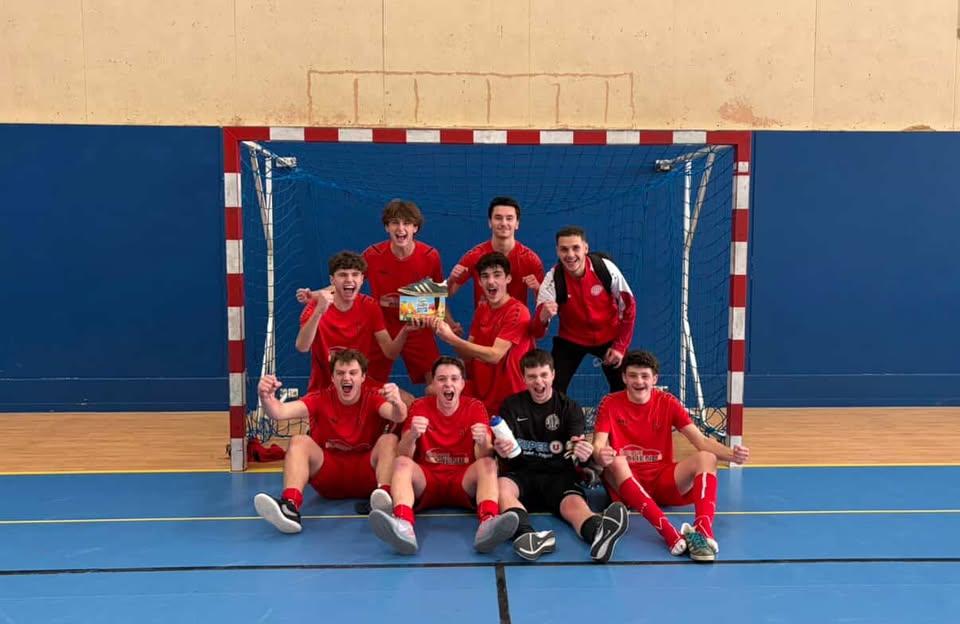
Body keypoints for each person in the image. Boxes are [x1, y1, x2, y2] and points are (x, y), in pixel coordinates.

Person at [592, 350, 750, 562]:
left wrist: (732, 455)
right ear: (623, 378)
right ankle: (669, 533)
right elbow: (598, 445)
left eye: (645, 376)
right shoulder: (610, 403)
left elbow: (701, 441)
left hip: (662, 482)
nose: (639, 381)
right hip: (627, 484)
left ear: (654, 379)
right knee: (617, 461)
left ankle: (703, 528)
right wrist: (602, 455)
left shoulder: (667, 402)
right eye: (632, 375)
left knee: (707, 457)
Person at [368, 356, 519, 554]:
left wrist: (483, 441)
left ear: (462, 384)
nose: (448, 384)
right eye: (442, 379)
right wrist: (412, 434)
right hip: (427, 479)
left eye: (454, 379)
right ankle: (403, 525)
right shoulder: (420, 406)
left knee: (489, 464)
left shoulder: (475, 407)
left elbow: (483, 456)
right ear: (434, 384)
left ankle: (488, 523)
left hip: (462, 480)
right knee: (402, 463)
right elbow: (403, 453)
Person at [494, 348, 630, 563]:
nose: (538, 382)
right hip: (522, 475)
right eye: (532, 376)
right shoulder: (511, 406)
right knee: (500, 486)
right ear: (524, 378)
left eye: (543, 375)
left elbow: (576, 447)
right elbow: (503, 448)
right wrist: (499, 450)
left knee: (574, 506)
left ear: (553, 375)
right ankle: (527, 536)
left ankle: (599, 533)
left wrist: (583, 451)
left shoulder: (570, 408)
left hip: (559, 475)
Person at [253, 349, 408, 534]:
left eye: (353, 373)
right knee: (299, 441)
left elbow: (398, 416)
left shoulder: (373, 397)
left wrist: (398, 402)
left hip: (368, 477)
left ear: (363, 377)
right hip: (329, 475)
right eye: (340, 373)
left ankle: (385, 502)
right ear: (333, 378)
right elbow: (279, 412)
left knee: (389, 440)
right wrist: (266, 397)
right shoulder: (320, 398)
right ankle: (289, 507)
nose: (346, 378)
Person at [532, 225, 637, 395]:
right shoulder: (552, 280)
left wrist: (620, 346)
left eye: (576, 248)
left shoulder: (605, 268)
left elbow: (629, 306)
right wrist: (543, 318)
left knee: (625, 389)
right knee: (551, 389)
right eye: (564, 249)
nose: (570, 255)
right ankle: (558, 421)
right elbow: (536, 331)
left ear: (585, 248)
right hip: (571, 339)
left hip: (609, 336)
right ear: (557, 251)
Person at [360, 199, 451, 389]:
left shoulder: (430, 256)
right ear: (387, 227)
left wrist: (449, 322)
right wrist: (318, 295)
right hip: (382, 328)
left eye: (407, 223)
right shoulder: (372, 254)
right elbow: (348, 279)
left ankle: (432, 417)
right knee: (367, 383)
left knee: (437, 383)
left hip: (417, 325)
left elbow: (438, 297)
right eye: (395, 222)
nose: (400, 228)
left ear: (415, 228)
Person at [433, 252, 535, 417]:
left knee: (497, 443)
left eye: (497, 275)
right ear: (479, 282)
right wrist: (448, 335)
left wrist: (452, 339)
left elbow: (495, 355)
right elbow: (467, 355)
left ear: (508, 279)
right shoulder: (482, 309)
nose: (491, 281)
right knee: (431, 390)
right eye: (485, 276)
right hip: (480, 396)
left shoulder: (518, 311)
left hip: (511, 402)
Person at [296, 251, 411, 394]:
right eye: (343, 275)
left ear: (362, 279)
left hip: (361, 388)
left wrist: (406, 329)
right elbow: (302, 347)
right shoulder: (317, 306)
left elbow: (390, 352)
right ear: (332, 280)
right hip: (323, 390)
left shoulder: (370, 306)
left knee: (406, 403)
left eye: (355, 274)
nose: (349, 280)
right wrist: (319, 311)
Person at [447, 196, 544, 309]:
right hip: (483, 324)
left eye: (509, 218)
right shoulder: (474, 256)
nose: (503, 223)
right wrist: (451, 279)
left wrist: (537, 289)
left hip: (517, 324)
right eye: (498, 218)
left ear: (517, 223)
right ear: (490, 222)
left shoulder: (530, 259)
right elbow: (448, 293)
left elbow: (544, 305)